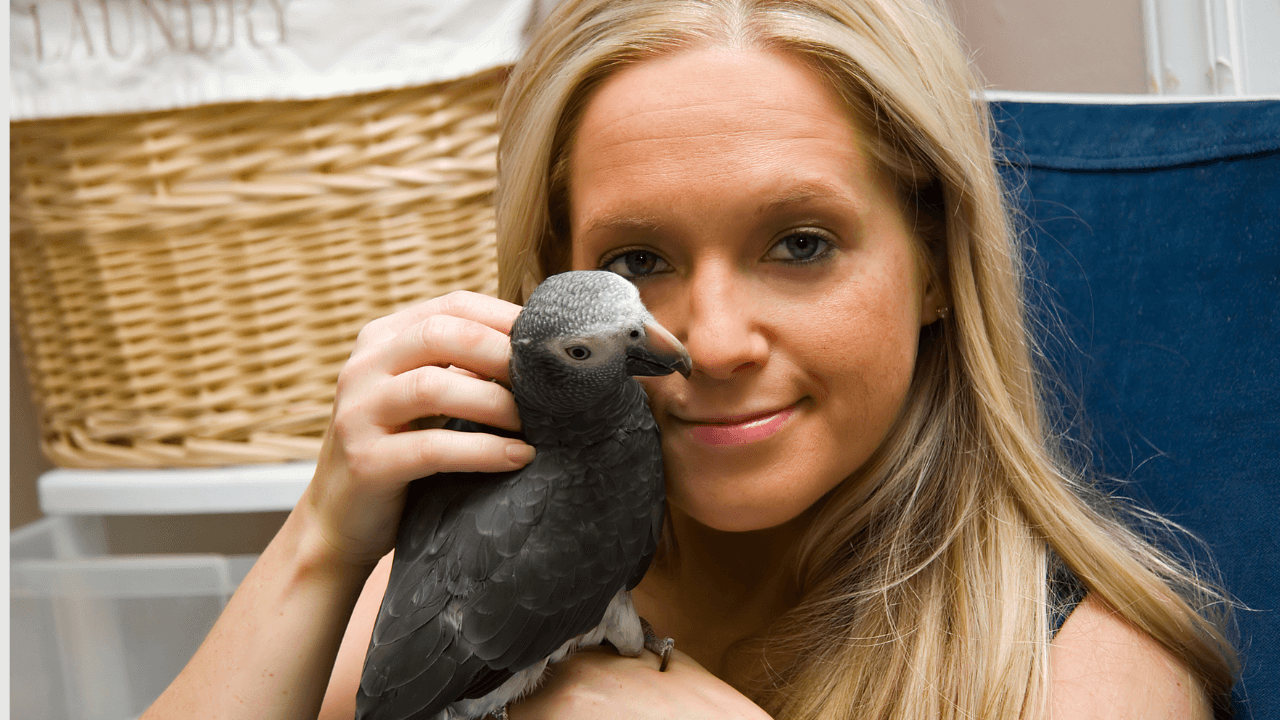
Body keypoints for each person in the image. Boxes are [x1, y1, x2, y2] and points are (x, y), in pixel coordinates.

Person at [142, 1, 1239, 719]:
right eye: (636, 259)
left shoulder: (1087, 685)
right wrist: (320, 542)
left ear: (938, 266)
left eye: (800, 245)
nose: (703, 345)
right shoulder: (460, 587)